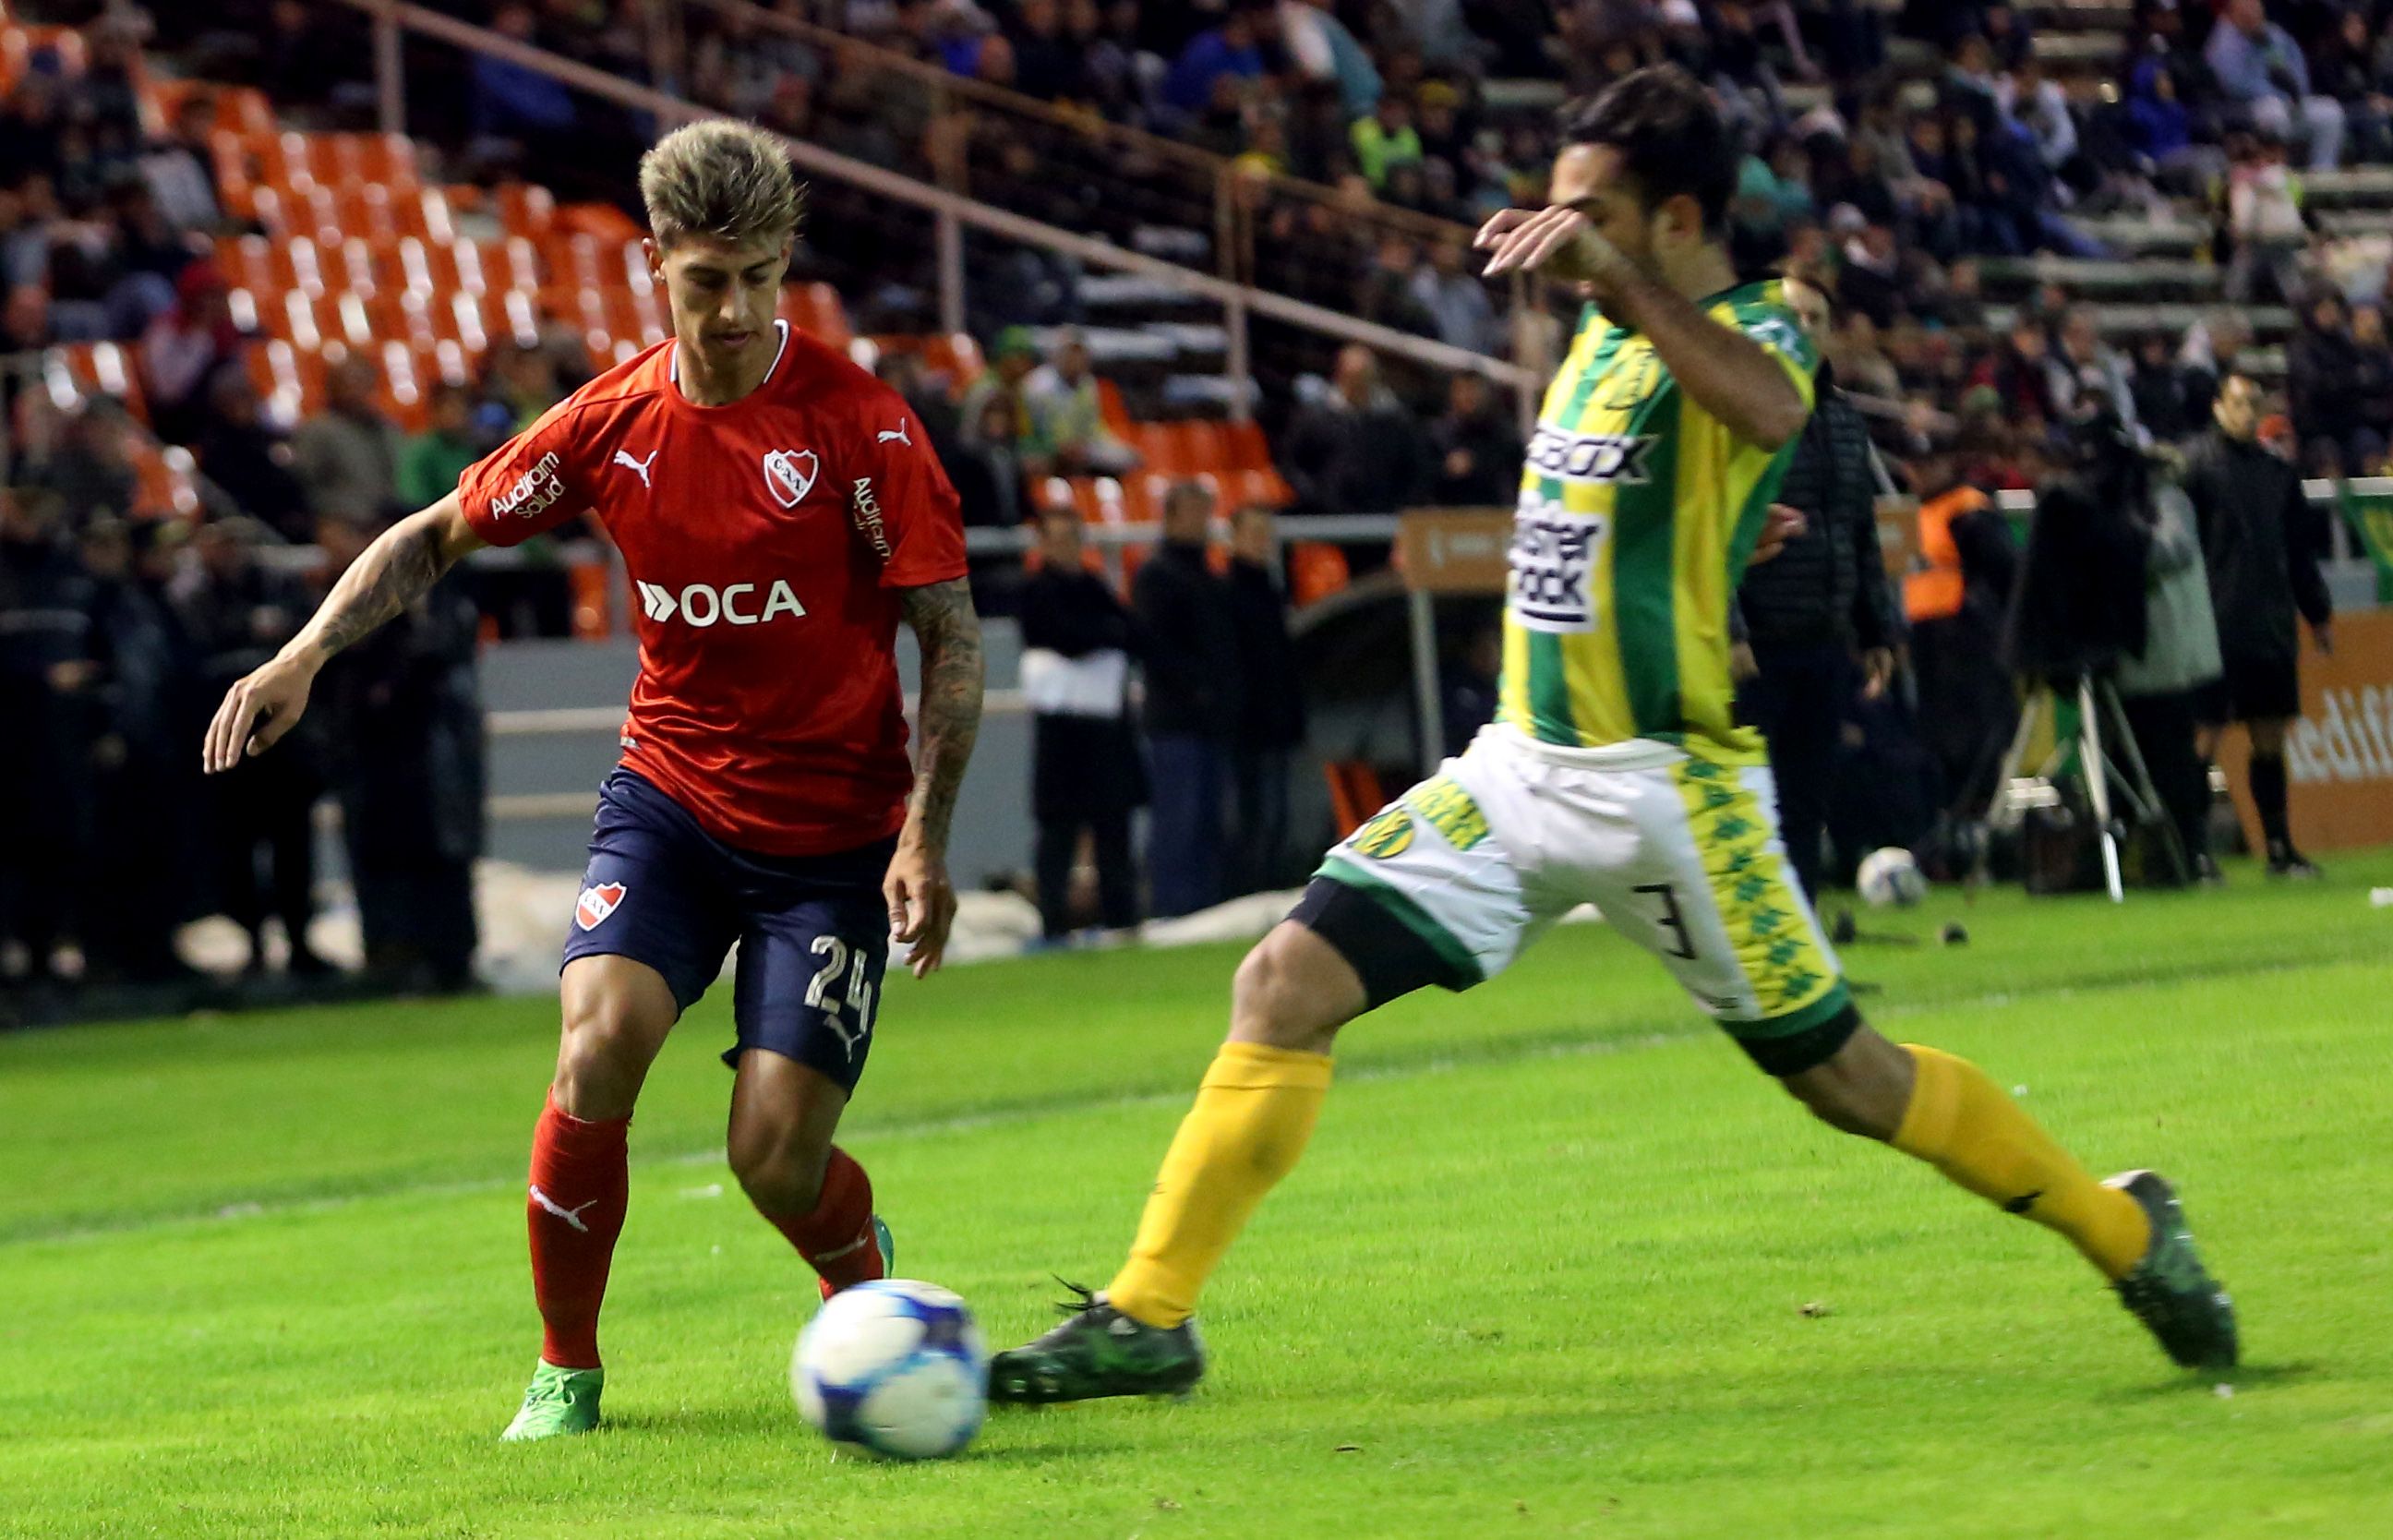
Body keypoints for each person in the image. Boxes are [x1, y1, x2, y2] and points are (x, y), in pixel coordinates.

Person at [988, 66, 2234, 1408]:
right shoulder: (1598, 323)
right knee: (1282, 982)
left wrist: (1630, 303)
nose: (1555, 232)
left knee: (1850, 1084)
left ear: (1677, 219)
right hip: (1517, 769)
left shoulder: (1758, 321)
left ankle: (2125, 1229)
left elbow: (1772, 412)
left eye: (1587, 211)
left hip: (1664, 793)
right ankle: (1150, 1315)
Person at [200, 121, 982, 1440]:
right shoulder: (612, 422)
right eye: (705, 281)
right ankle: (567, 1367)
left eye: (758, 279)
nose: (733, 311)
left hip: (829, 838)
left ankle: (866, 1286)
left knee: (771, 1158)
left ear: (785, 267)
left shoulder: (864, 428)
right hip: (670, 801)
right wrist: (304, 654)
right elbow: (435, 533)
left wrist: (924, 838)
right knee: (597, 1046)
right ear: (655, 266)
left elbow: (949, 635)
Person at [1729, 278, 1901, 905]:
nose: (1804, 328)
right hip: (1757, 645)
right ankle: (1745, 938)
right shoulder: (1733, 411)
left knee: (1806, 802)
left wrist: (1876, 628)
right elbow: (1707, 527)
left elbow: (1860, 530)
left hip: (1824, 640)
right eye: (1792, 314)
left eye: (1816, 317)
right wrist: (1730, 630)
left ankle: (1799, 935)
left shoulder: (1843, 418)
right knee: (1747, 805)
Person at [313, 513, 488, 993]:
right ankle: (393, 958)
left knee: (441, 857)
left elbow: (437, 658)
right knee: (384, 859)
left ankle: (449, 960)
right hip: (378, 753)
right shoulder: (356, 600)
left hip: (430, 752)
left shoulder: (444, 599)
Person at [2181, 374, 2333, 877]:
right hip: (2213, 625)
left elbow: (2299, 552)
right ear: (2218, 406)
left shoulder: (2277, 474)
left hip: (2268, 624)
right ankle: (2194, 852)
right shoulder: (2195, 468)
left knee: (2270, 737)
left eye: (2254, 403)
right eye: (2239, 403)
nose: (2248, 412)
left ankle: (2279, 847)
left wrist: (2317, 613)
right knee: (2204, 738)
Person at [180, 518, 331, 979]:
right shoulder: (192, 596)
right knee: (235, 852)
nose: (230, 551)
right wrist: (252, 632)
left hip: (284, 746)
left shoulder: (279, 585)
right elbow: (194, 661)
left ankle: (299, 942)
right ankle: (253, 945)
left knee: (294, 850)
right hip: (226, 748)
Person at [1016, 502, 1143, 942]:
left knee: (1113, 828)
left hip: (1105, 736)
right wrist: (1100, 637)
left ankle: (1122, 921)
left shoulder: (1092, 585)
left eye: (1073, 537)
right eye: (1058, 538)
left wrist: (1097, 636)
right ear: (1042, 543)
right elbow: (1065, 635)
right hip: (1062, 740)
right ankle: (1053, 922)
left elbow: (1129, 631)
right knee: (1058, 832)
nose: (1067, 547)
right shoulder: (1034, 590)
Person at [1133, 479, 1243, 919]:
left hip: (1209, 721)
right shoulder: (1157, 575)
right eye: (1195, 513)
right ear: (1172, 517)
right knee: (1179, 822)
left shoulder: (1209, 577)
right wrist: (1199, 688)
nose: (1203, 523)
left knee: (1209, 824)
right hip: (1176, 722)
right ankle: (1172, 912)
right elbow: (1156, 647)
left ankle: (1204, 912)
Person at [2113, 454, 2223, 884]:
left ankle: (2188, 854)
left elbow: (2173, 551)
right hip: (2139, 659)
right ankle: (2161, 857)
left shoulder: (2169, 502)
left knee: (2174, 761)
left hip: (2168, 659)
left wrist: (2116, 541)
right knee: (2141, 761)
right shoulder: (2146, 504)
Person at [1224, 505, 1305, 896]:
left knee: (1276, 815)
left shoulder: (1272, 592)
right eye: (1253, 533)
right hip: (1247, 726)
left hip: (1275, 722)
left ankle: (1268, 890)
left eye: (1265, 534)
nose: (1261, 542)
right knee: (1253, 816)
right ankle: (1249, 892)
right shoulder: (1226, 593)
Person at [2203, 0, 2342, 171]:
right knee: (2273, 111)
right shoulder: (2223, 43)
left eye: (2256, 9)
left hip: (2288, 104)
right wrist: (2278, 95)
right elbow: (2235, 84)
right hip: (2249, 108)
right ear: (2233, 15)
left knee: (2329, 111)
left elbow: (2297, 68)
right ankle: (2276, 175)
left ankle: (2322, 174)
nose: (2253, 15)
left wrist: (2295, 93)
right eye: (2246, 10)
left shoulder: (2274, 35)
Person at [290, 353, 404, 525]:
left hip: (388, 521)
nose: (360, 391)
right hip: (342, 525)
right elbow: (303, 486)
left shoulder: (388, 428)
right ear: (333, 388)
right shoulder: (317, 430)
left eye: (366, 383)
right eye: (352, 383)